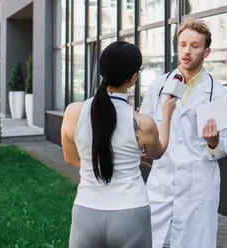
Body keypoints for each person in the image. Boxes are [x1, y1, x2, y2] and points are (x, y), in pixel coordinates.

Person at [61, 41, 177, 248]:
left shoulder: (72, 113)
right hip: (131, 212)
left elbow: (70, 158)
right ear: (133, 78)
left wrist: (105, 161)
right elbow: (158, 151)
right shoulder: (143, 123)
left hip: (86, 210)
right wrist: (166, 114)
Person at [139, 17, 227, 248]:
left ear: (206, 52)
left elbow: (225, 147)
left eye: (195, 46)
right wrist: (142, 146)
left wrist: (214, 141)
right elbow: (146, 130)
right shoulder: (159, 87)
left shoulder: (217, 94)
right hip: (161, 186)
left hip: (197, 189)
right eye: (182, 45)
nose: (187, 51)